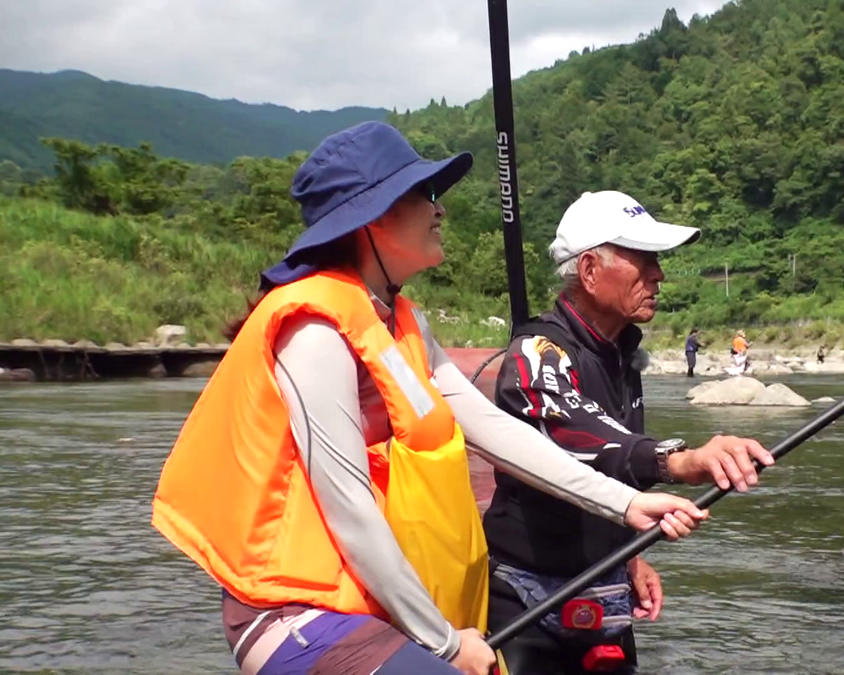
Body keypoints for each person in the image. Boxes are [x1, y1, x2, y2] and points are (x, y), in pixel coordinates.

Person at [149, 125, 709, 675]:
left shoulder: (404, 322)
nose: (441, 211)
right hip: (294, 610)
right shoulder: (315, 333)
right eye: (427, 196)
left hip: (367, 601)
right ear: (373, 219)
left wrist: (626, 504)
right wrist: (441, 643)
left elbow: (495, 430)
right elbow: (348, 507)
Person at [482, 190, 774, 674]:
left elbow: (613, 461)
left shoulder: (622, 352)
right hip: (526, 597)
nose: (658, 274)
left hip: (606, 585)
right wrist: (676, 461)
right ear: (591, 270)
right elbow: (573, 429)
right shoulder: (537, 350)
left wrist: (629, 557)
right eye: (643, 261)